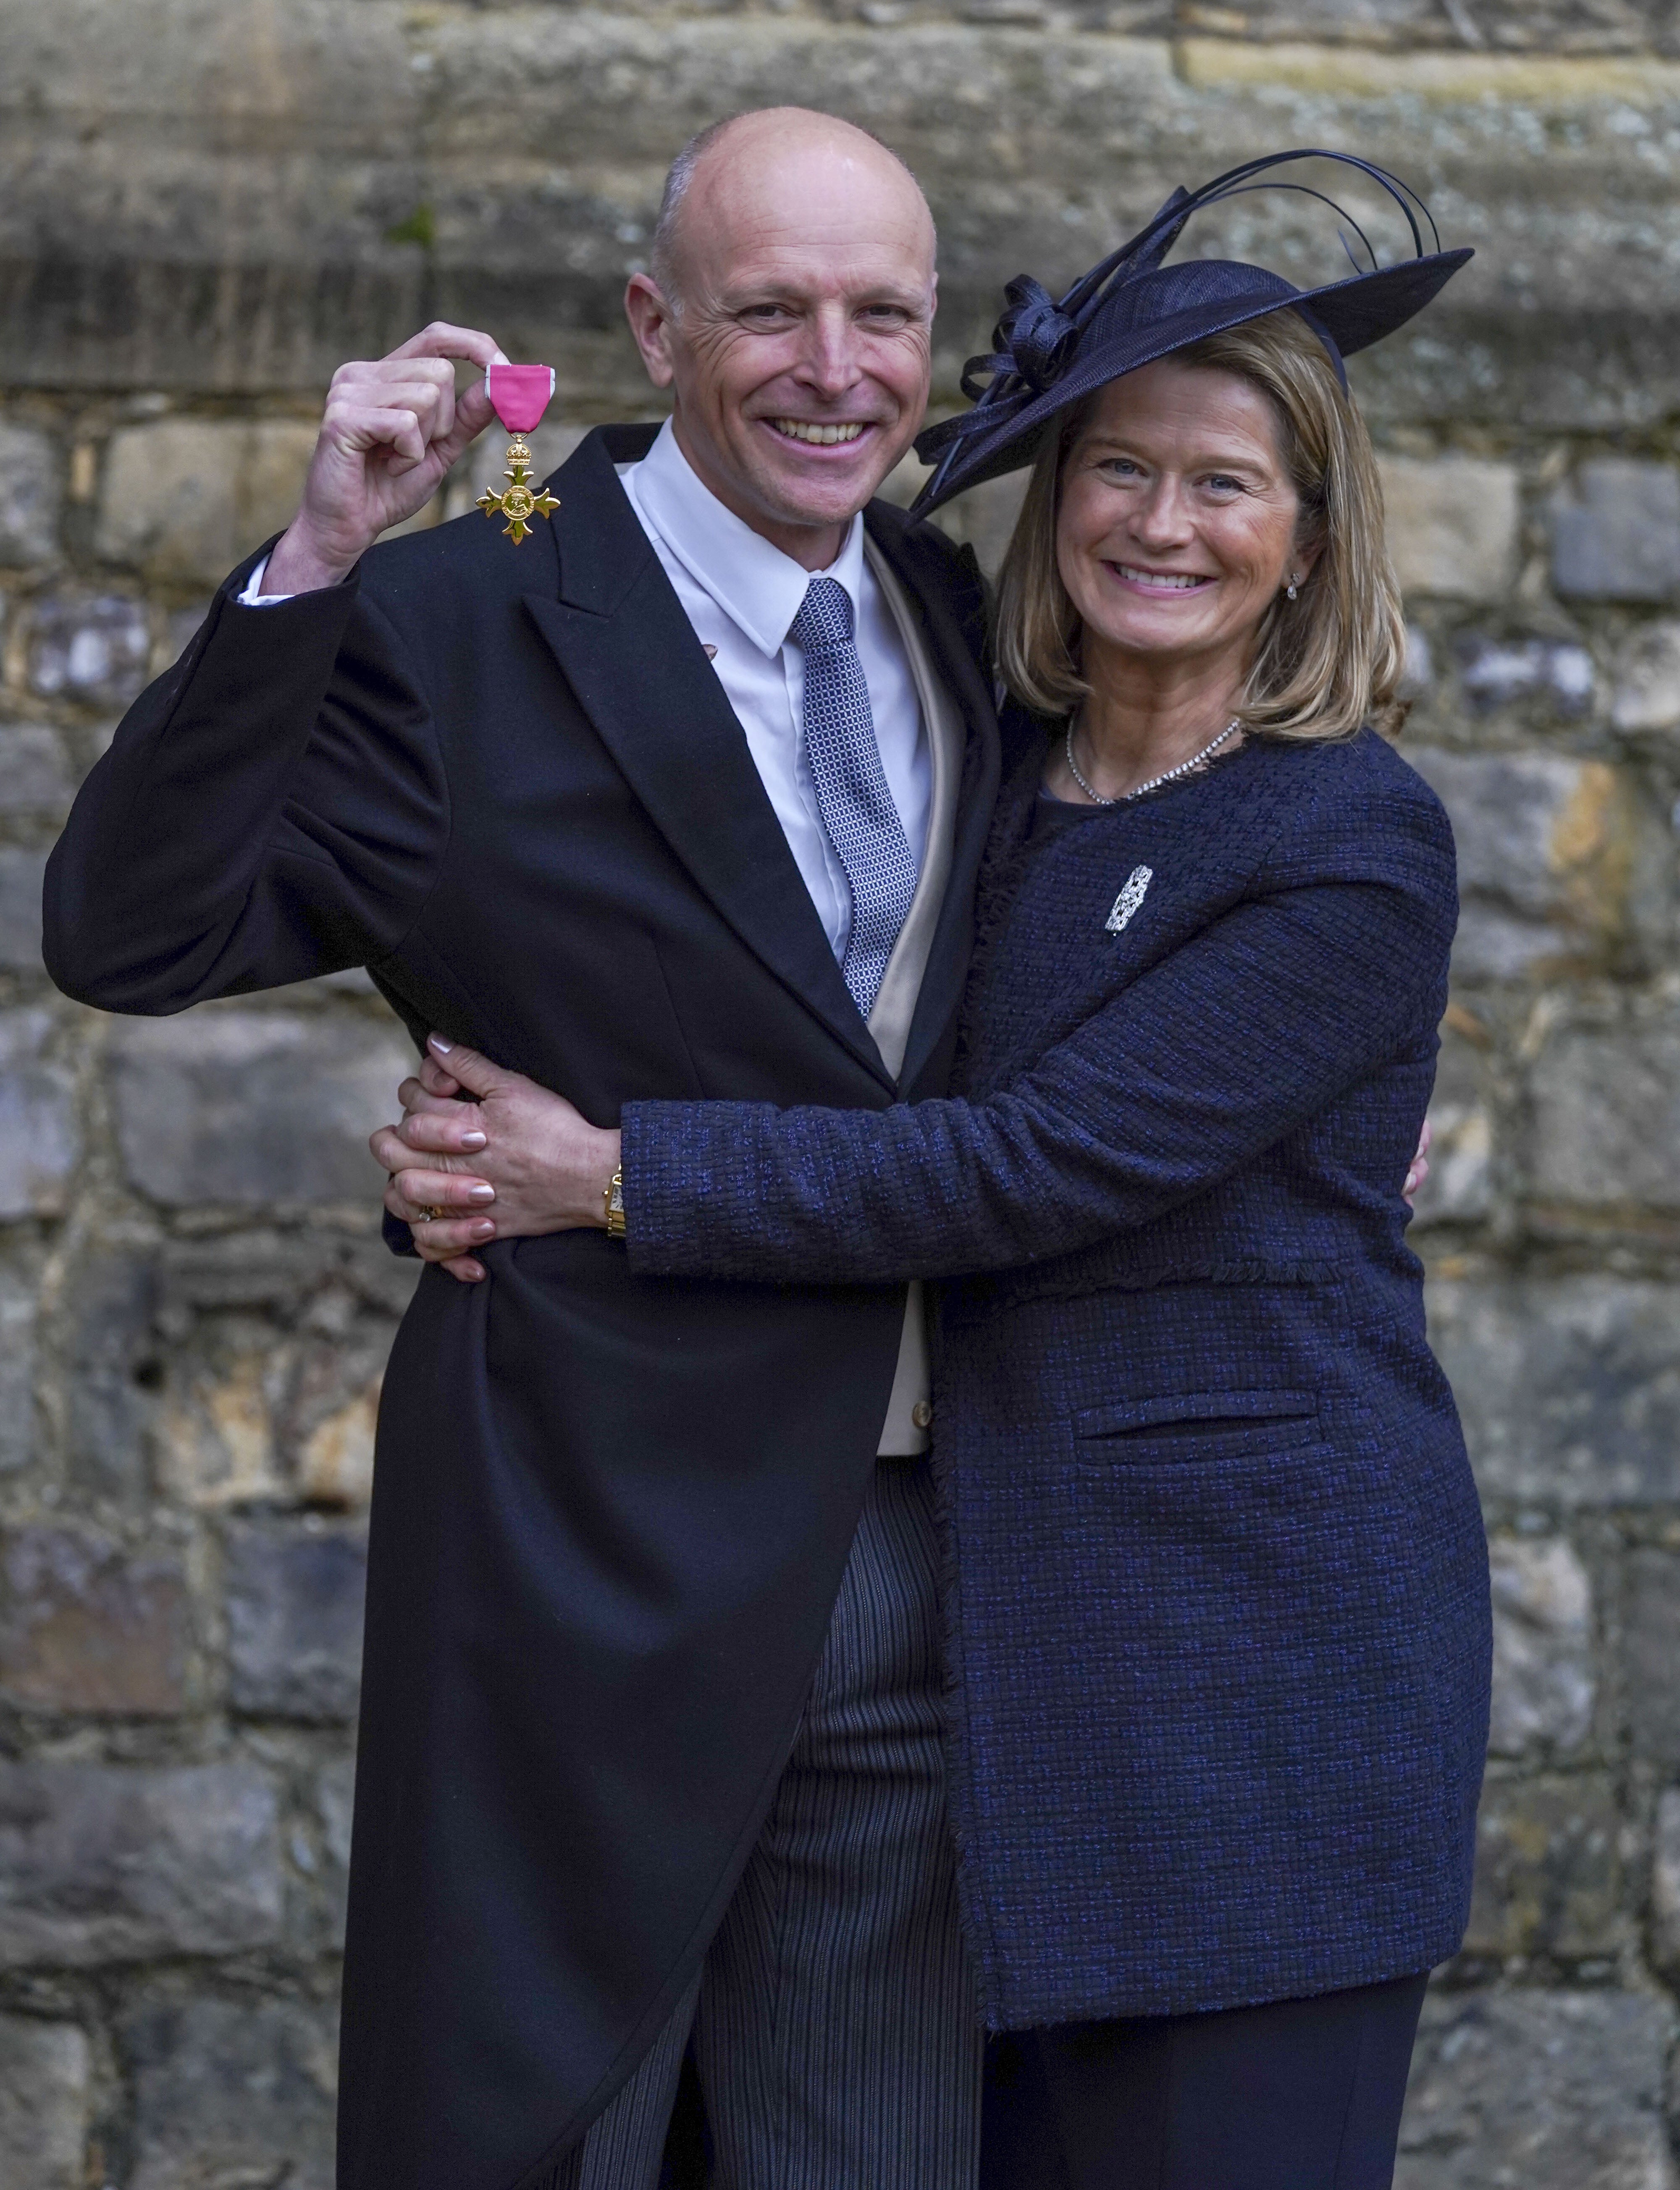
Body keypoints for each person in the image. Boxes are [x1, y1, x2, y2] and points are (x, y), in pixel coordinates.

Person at [374, 155, 1493, 2190]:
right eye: (1118, 468)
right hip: (993, 1667)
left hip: (1239, 1679)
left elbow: (1032, 1160)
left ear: (1313, 536)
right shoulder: (979, 729)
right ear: (1047, 492)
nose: (1161, 522)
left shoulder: (1342, 834)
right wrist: (494, 474)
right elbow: (636, 628)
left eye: (1226, 483)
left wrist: (605, 1175)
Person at [42, 109, 1007, 2190]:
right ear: (656, 328)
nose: (834, 366)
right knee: (537, 2148)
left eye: (883, 313)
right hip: (586, 1544)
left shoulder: (956, 607)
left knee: (879, 2151)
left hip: (930, 1550)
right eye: (768, 311)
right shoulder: (451, 615)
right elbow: (132, 931)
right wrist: (308, 564)